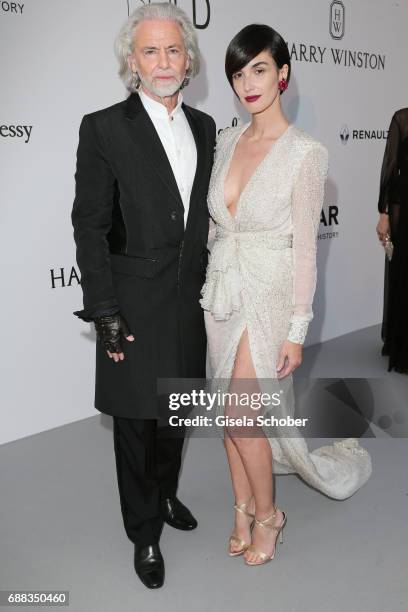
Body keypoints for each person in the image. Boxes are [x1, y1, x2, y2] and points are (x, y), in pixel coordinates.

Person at [200, 24, 372, 566]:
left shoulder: (305, 153)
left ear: (282, 74)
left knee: (242, 416)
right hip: (223, 291)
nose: (247, 83)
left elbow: (304, 250)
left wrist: (298, 331)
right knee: (229, 417)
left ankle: (271, 518)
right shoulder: (226, 142)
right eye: (237, 73)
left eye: (259, 69)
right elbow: (213, 227)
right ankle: (242, 507)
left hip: (269, 293)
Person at [71, 3, 216, 589]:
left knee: (173, 418)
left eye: (174, 50)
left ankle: (163, 497)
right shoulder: (103, 127)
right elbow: (89, 225)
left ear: (189, 59)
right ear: (132, 60)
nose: (164, 61)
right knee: (136, 424)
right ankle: (145, 533)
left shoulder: (206, 128)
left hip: (187, 303)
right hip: (131, 304)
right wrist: (104, 309)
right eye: (151, 50)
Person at [376, 108, 408, 374]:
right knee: (403, 274)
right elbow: (390, 167)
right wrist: (384, 213)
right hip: (404, 206)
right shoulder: (402, 119)